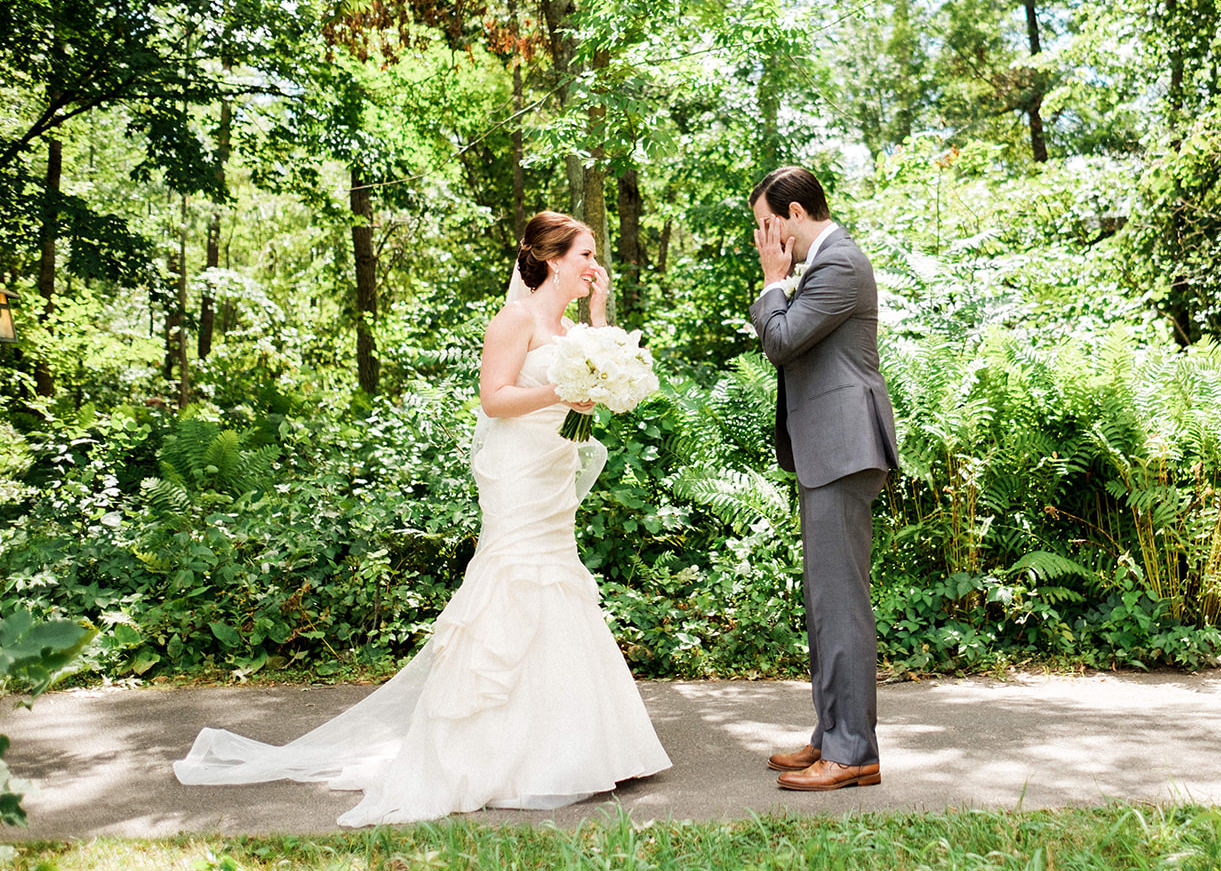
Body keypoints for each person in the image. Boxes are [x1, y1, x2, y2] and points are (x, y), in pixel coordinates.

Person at [174, 211, 671, 825]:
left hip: (553, 470)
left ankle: (574, 746)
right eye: (585, 255)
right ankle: (488, 751)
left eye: (595, 255)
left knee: (556, 579)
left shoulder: (568, 326)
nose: (595, 265)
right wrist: (558, 394)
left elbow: (599, 366)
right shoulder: (513, 319)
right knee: (515, 578)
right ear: (551, 259)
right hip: (517, 472)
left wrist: (596, 329)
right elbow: (494, 398)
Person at [747, 167, 899, 791]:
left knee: (840, 604)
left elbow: (781, 340)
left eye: (765, 225)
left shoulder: (840, 263)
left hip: (843, 447)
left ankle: (853, 751)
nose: (762, 237)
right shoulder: (827, 263)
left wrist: (772, 282)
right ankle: (831, 735)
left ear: (794, 214)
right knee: (825, 602)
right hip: (827, 450)